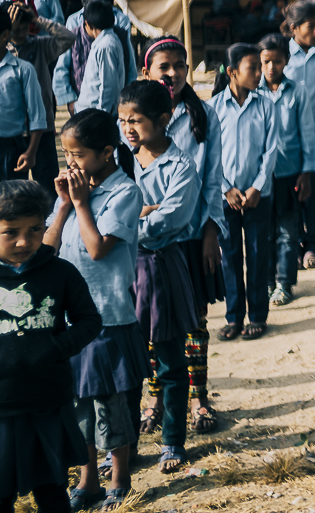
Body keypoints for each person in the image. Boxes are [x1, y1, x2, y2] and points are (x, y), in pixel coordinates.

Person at [43, 111, 145, 510]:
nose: (71, 164)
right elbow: (48, 249)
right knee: (79, 407)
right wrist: (66, 205)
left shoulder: (124, 192)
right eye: (66, 154)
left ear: (106, 152)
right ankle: (88, 482)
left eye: (79, 155)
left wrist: (82, 204)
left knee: (110, 404)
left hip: (107, 317)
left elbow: (98, 248)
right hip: (71, 319)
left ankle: (120, 477)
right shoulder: (69, 195)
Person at [0, 179, 103, 513]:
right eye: (10, 232)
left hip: (47, 402)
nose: (23, 241)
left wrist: (56, 348)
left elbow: (89, 320)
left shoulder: (60, 272)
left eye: (34, 230)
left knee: (53, 493)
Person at [138, 40, 225, 437]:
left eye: (178, 66)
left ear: (188, 70)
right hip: (145, 242)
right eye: (163, 67)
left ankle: (198, 398)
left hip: (190, 236)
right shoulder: (132, 119)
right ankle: (154, 397)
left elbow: (213, 180)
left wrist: (211, 232)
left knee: (195, 321)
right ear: (147, 72)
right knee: (153, 323)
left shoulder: (203, 116)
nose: (170, 74)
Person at [118, 79, 202, 473]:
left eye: (135, 120)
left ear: (164, 119)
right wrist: (143, 211)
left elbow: (174, 218)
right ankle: (124, 445)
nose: (128, 128)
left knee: (169, 361)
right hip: (121, 271)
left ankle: (172, 441)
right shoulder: (120, 159)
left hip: (161, 267)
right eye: (123, 121)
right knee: (128, 365)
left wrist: (130, 218)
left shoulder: (181, 165)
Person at [207, 45, 278, 341]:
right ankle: (234, 317)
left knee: (259, 255)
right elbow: (210, 155)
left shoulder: (266, 104)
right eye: (253, 68)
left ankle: (258, 316)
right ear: (232, 72)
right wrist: (227, 189)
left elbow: (271, 150)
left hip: (258, 196)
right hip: (227, 198)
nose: (259, 74)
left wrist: (256, 187)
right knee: (231, 257)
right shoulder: (213, 107)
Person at [257, 35, 315, 307]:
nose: (271, 67)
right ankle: (268, 280)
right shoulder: (253, 93)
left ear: (286, 61)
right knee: (265, 231)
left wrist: (307, 171)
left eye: (277, 61)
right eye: (266, 61)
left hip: (290, 172)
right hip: (260, 177)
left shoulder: (298, 91)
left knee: (289, 231)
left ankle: (284, 282)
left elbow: (307, 133)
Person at [281, 2, 315, 270]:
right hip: (289, 139)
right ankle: (294, 244)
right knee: (292, 193)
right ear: (294, 28)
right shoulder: (279, 59)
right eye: (310, 26)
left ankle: (312, 245)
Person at [9, 6, 74, 187]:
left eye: (24, 26)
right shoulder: (2, 52)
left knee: (48, 187)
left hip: (43, 128)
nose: (20, 32)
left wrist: (38, 20)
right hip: (13, 132)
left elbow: (68, 37)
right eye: (15, 28)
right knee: (15, 190)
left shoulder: (40, 45)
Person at [0, 3, 47, 179]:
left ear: (4, 35)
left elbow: (37, 115)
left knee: (11, 203)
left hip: (11, 150)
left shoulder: (23, 69)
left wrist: (31, 152)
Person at [76, 2, 125, 115]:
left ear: (88, 24)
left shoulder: (105, 45)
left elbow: (109, 85)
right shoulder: (107, 41)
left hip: (95, 113)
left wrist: (103, 114)